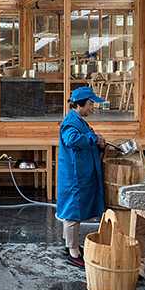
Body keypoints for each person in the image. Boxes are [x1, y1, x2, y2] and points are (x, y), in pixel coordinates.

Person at [57, 85, 107, 268]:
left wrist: (97, 139)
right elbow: (72, 140)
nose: (92, 108)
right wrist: (94, 139)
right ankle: (73, 252)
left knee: (73, 209)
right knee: (73, 212)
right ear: (80, 105)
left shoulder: (78, 120)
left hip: (79, 173)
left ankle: (69, 244)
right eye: (90, 104)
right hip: (74, 176)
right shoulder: (71, 122)